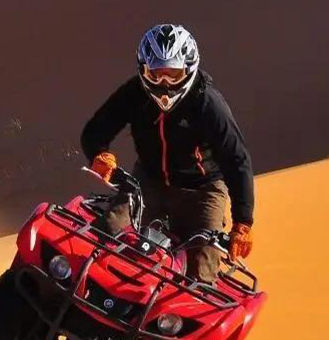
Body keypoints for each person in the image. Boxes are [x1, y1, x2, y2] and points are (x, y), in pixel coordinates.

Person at [80, 24, 254, 283]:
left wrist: (243, 222)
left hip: (203, 191)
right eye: (156, 73)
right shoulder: (134, 93)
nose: (164, 83)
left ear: (189, 69)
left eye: (173, 74)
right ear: (143, 70)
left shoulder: (208, 103)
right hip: (147, 182)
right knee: (107, 233)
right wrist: (99, 155)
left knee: (202, 270)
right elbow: (95, 131)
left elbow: (237, 159)